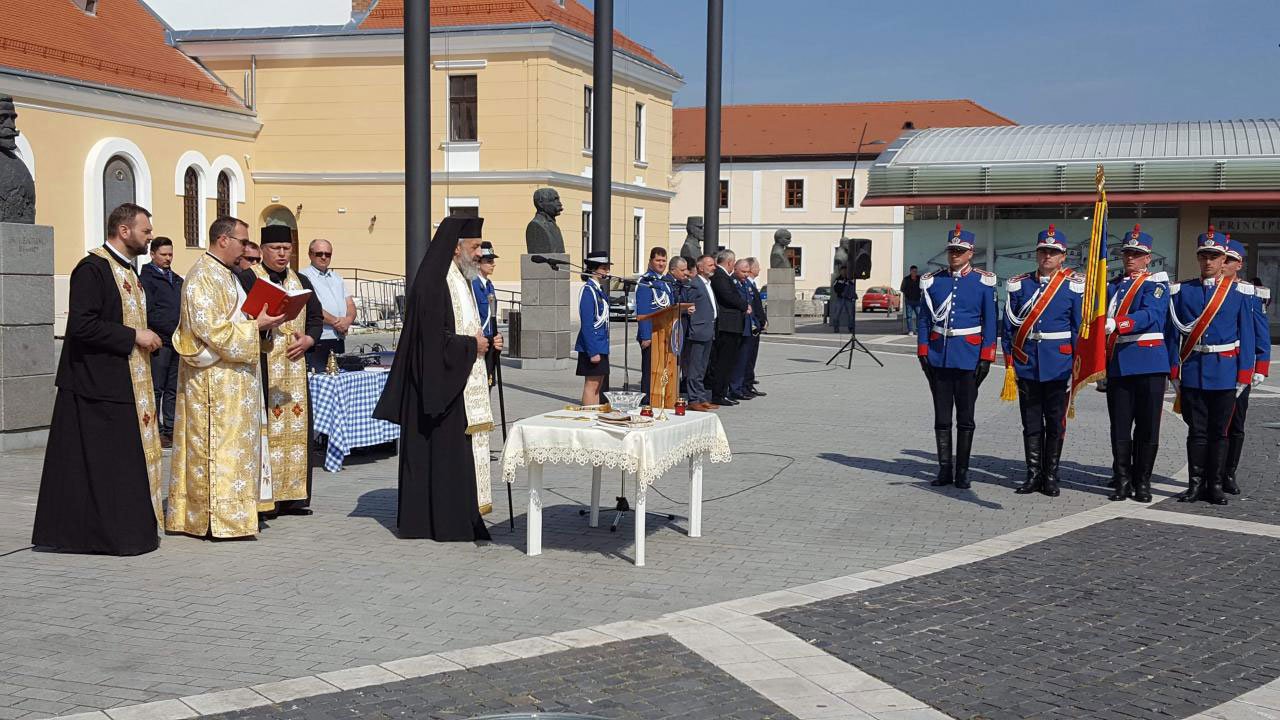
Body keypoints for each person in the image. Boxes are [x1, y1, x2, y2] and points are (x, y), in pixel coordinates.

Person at [31, 203, 164, 555]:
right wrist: (134, 336)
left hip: (122, 380)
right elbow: (82, 324)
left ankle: (123, 532)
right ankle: (102, 535)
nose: (150, 237)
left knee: (117, 465)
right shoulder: (92, 268)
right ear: (124, 231)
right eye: (145, 231)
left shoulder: (128, 271)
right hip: (95, 385)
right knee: (100, 465)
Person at [372, 216, 499, 542]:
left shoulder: (460, 278)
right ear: (456, 248)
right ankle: (441, 522)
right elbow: (432, 343)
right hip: (435, 390)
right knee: (442, 456)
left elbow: (459, 330)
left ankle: (456, 516)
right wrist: (473, 345)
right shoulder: (435, 283)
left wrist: (485, 346)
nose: (478, 255)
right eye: (474, 248)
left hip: (452, 384)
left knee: (453, 458)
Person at [167, 217, 285, 539]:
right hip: (214, 386)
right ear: (223, 240)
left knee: (238, 452)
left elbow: (241, 318)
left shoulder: (230, 276)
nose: (247, 248)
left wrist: (265, 323)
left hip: (237, 382)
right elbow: (211, 331)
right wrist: (254, 327)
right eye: (243, 242)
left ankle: (238, 513)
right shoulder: (201, 277)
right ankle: (216, 519)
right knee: (218, 451)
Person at [237, 225, 323, 517]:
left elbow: (314, 318)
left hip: (295, 368)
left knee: (297, 432)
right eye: (276, 248)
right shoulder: (249, 278)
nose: (283, 253)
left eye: (286, 248)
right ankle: (266, 500)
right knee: (266, 431)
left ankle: (294, 497)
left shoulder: (302, 279)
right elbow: (241, 316)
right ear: (263, 250)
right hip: (265, 364)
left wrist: (310, 339)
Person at [1167, 227, 1256, 506]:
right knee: (1197, 431)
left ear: (1223, 259)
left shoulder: (1239, 293)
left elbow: (1248, 335)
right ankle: (1195, 484)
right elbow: (1173, 335)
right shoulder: (1183, 291)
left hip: (1225, 372)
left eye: (1214, 256)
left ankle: (1215, 484)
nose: (1208, 262)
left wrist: (1245, 375)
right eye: (1204, 256)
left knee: (1220, 432)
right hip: (1194, 369)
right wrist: (1174, 371)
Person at [1001, 226, 1081, 497]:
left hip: (1058, 364)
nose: (1047, 256)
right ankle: (1033, 474)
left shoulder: (1073, 286)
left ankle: (1051, 475)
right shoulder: (1019, 284)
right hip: (1028, 363)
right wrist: (1011, 362)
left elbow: (1078, 329)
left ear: (1063, 256)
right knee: (1031, 422)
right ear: (1037, 254)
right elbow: (1008, 328)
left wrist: (1075, 365)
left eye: (1053, 252)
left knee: (1055, 421)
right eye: (1043, 251)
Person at [917, 223, 997, 490]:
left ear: (970, 253)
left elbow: (990, 322)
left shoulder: (983, 282)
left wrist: (986, 357)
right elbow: (925, 319)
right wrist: (923, 351)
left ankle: (962, 471)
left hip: (968, 357)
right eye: (952, 250)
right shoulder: (933, 281)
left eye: (960, 251)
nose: (955, 255)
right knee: (942, 418)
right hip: (940, 356)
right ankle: (944, 470)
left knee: (965, 418)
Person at [1101, 225, 1171, 503]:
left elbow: (1151, 315)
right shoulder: (1114, 286)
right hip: (1118, 363)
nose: (1130, 258)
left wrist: (1118, 323)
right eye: (1127, 253)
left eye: (1136, 254)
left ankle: (1142, 481)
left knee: (1147, 426)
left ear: (1147, 258)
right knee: (1119, 427)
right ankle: (1122, 479)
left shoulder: (1156, 284)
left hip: (1149, 363)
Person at [1219, 238, 1269, 495]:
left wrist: (1260, 367)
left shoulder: (1248, 292)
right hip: (1213, 367)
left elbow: (1261, 332)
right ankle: (1207, 473)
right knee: (1207, 426)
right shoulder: (1205, 288)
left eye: (1228, 260)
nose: (1223, 264)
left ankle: (1228, 473)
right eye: (1221, 259)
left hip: (1239, 367)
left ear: (1238, 264)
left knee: (1235, 423)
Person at [139, 236, 183, 447]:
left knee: (173, 388)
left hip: (177, 342)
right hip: (160, 342)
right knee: (157, 387)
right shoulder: (146, 279)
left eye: (170, 254)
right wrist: (166, 329)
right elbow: (149, 311)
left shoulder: (176, 279)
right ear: (153, 254)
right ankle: (155, 430)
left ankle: (171, 429)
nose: (168, 258)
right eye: (164, 255)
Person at [300, 239, 356, 372]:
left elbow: (350, 304)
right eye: (319, 254)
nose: (324, 257)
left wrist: (347, 321)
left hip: (338, 337)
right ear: (310, 254)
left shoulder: (337, 277)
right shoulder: (303, 277)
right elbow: (309, 307)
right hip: (319, 337)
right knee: (320, 378)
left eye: (328, 254)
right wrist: (336, 322)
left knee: (337, 378)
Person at [709, 249, 750, 406]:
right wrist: (744, 305)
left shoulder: (723, 276)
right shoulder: (720, 276)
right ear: (730, 263)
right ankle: (718, 394)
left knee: (729, 361)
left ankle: (723, 392)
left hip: (732, 325)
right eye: (733, 263)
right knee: (723, 362)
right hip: (727, 325)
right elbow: (727, 296)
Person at [681, 255, 718, 411]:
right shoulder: (695, 284)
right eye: (710, 265)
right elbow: (687, 304)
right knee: (694, 368)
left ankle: (701, 397)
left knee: (702, 367)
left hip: (708, 329)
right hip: (698, 330)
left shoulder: (708, 283)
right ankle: (694, 398)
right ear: (701, 267)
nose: (714, 267)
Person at [636, 247, 672, 403]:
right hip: (652, 333)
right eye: (658, 260)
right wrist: (645, 335)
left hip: (665, 333)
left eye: (664, 261)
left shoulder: (665, 281)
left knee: (662, 369)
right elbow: (643, 310)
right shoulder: (646, 281)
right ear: (651, 261)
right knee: (650, 370)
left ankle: (660, 398)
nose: (661, 263)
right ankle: (647, 401)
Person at [575, 251, 612, 405]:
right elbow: (587, 323)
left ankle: (594, 415)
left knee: (598, 385)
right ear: (593, 269)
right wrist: (593, 351)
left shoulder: (598, 290)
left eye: (607, 268)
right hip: (592, 346)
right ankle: (588, 418)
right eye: (603, 268)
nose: (607, 271)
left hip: (601, 344)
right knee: (592, 385)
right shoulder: (588, 290)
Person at [729, 259, 763, 400]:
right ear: (735, 269)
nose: (745, 274)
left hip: (750, 326)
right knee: (740, 360)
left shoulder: (745, 284)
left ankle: (744, 386)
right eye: (743, 271)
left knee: (747, 359)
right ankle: (736, 388)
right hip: (741, 326)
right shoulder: (734, 283)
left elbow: (753, 304)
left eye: (747, 271)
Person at [471, 241, 500, 384]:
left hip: (490, 340)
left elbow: (492, 315)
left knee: (489, 381)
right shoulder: (474, 285)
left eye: (493, 261)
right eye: (489, 261)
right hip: (480, 340)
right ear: (478, 263)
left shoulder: (489, 285)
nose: (493, 264)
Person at [744, 258, 767, 397]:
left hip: (756, 326)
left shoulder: (751, 284)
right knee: (747, 358)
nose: (760, 269)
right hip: (750, 326)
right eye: (757, 267)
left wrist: (762, 320)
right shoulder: (746, 284)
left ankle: (749, 382)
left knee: (751, 357)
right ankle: (746, 384)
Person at [831, 266, 855, 333]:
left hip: (848, 299)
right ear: (840, 271)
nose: (844, 272)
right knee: (836, 314)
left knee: (851, 314)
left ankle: (851, 327)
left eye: (845, 271)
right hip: (840, 298)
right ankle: (836, 328)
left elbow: (853, 287)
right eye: (843, 271)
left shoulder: (850, 279)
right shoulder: (838, 279)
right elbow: (835, 288)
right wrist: (841, 290)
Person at [900, 265, 922, 334]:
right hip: (909, 301)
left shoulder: (919, 278)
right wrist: (908, 293)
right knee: (909, 316)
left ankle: (918, 330)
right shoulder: (906, 279)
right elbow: (902, 289)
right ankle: (910, 330)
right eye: (913, 271)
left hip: (917, 300)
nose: (915, 272)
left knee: (919, 316)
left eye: (916, 271)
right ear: (910, 271)